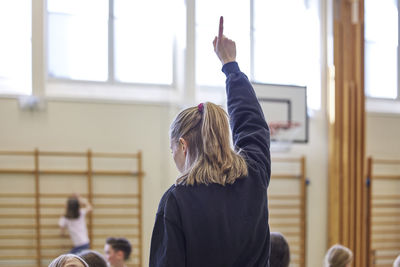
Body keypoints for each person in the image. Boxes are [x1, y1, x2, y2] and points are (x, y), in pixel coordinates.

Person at [149, 16, 271, 267]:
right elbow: (252, 126)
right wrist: (231, 66)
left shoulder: (176, 201)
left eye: (172, 149)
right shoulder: (253, 177)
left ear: (183, 145)